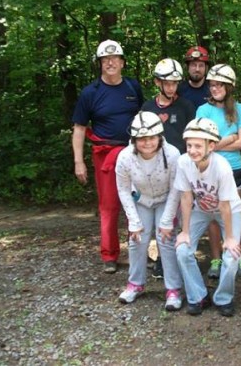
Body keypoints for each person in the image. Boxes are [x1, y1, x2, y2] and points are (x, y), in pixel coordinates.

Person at [72, 39, 144, 273]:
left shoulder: (133, 87)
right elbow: (79, 128)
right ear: (100, 63)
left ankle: (140, 253)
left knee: (141, 202)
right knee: (110, 205)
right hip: (106, 155)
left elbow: (145, 117)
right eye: (105, 59)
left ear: (122, 62)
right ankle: (110, 255)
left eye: (114, 58)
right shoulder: (90, 93)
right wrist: (78, 161)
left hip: (135, 152)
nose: (110, 62)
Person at [167, 118, 241, 317]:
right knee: (182, 249)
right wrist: (184, 231)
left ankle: (223, 297)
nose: (192, 150)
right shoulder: (183, 162)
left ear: (211, 146)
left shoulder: (222, 167)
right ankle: (198, 296)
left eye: (198, 145)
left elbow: (225, 205)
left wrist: (231, 238)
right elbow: (185, 196)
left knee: (232, 254)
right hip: (200, 209)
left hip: (227, 210)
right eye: (189, 145)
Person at [115, 112, 183, 310]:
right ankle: (135, 283)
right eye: (142, 139)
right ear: (135, 139)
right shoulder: (124, 157)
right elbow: (124, 190)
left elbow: (176, 189)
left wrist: (167, 220)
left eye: (152, 137)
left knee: (166, 239)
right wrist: (133, 222)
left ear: (160, 137)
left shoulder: (172, 154)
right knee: (137, 240)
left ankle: (173, 289)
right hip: (141, 199)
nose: (147, 143)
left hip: (166, 198)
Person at [141, 58, 195, 280]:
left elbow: (193, 137)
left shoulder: (185, 107)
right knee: (163, 216)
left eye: (175, 83)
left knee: (183, 214)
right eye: (167, 83)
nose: (172, 87)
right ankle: (164, 259)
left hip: (181, 168)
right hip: (155, 172)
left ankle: (185, 256)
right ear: (157, 82)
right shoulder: (147, 108)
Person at [196, 64, 241, 279]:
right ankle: (216, 258)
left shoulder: (240, 110)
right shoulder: (203, 110)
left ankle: (240, 256)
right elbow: (201, 143)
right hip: (209, 168)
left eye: (219, 84)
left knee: (235, 213)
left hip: (233, 168)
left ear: (229, 87)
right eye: (212, 85)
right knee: (212, 215)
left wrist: (215, 143)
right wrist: (228, 139)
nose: (215, 88)